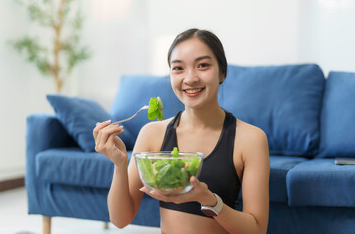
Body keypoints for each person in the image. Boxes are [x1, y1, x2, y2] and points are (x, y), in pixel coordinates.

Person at [93, 28, 270, 234]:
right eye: (178, 68)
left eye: (202, 65)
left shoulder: (250, 139)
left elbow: (257, 230)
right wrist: (120, 164)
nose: (190, 78)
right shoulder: (152, 133)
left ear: (222, 72)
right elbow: (120, 220)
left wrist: (208, 200)